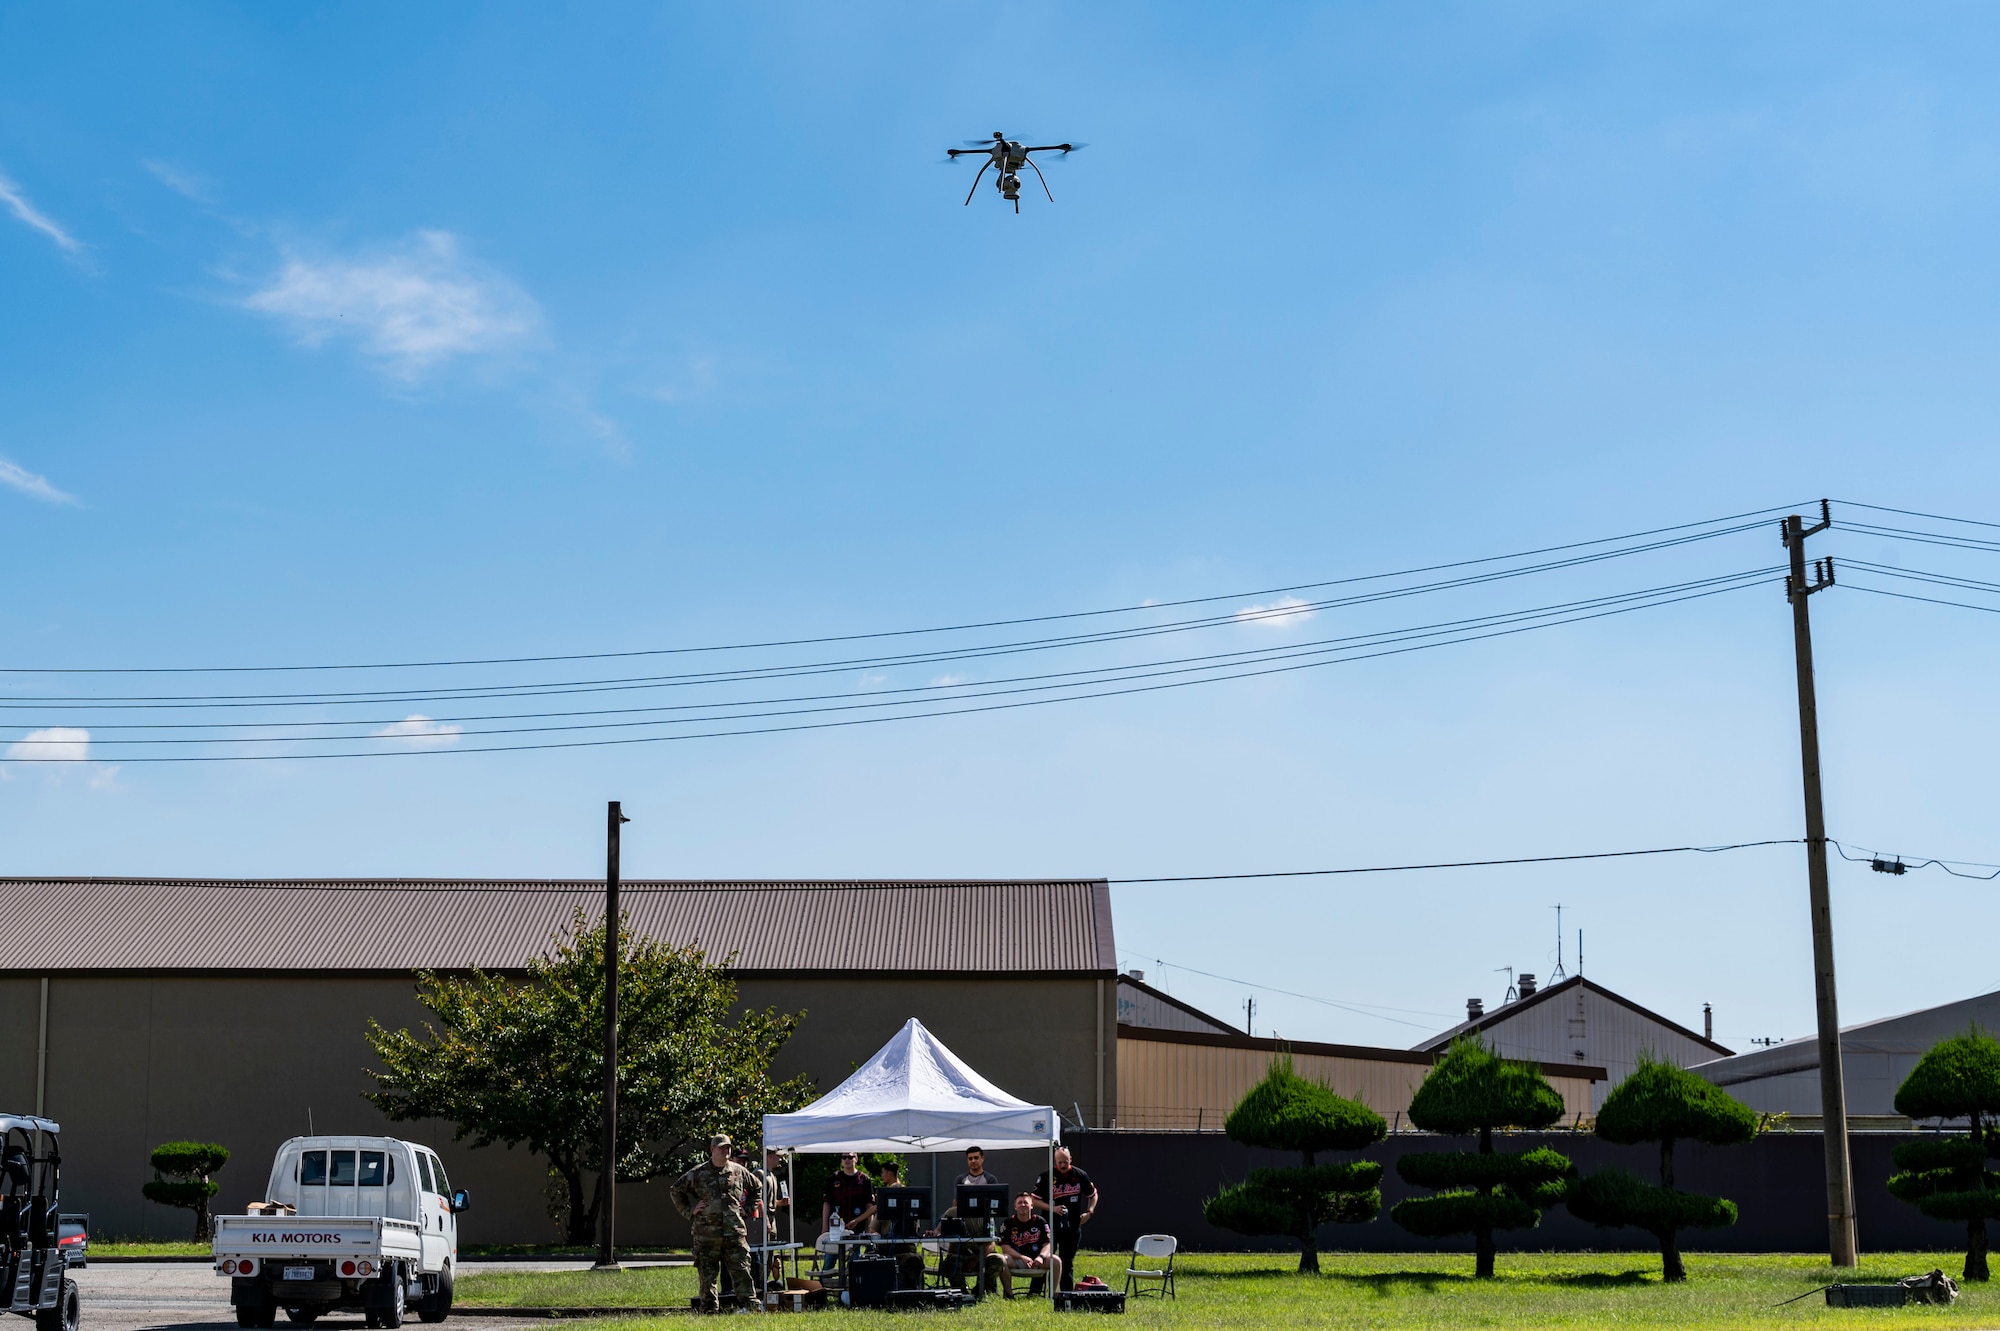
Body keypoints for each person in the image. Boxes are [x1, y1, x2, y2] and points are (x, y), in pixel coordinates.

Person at [669, 1134, 764, 1314]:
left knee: (742, 1270)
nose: (725, 1151)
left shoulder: (739, 1171)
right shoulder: (698, 1173)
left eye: (728, 1147)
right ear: (712, 1149)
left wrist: (748, 1208)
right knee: (707, 1275)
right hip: (706, 1234)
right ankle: (710, 1310)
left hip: (734, 1232)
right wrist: (690, 1211)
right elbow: (676, 1190)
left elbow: (757, 1188)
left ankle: (751, 1307)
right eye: (721, 1147)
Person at [1032, 1147, 1098, 1292]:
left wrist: (1089, 1212)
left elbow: (1093, 1194)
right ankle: (1036, 1292)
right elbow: (1034, 1200)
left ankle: (1066, 1293)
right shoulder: (1046, 1176)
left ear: (1070, 1160)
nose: (1062, 1165)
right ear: (1055, 1161)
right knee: (1044, 1258)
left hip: (1072, 1225)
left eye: (1065, 1162)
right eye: (1060, 1162)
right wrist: (1052, 1208)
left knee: (1067, 1261)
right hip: (1050, 1226)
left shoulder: (1080, 1175)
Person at [951, 1146, 1004, 1295]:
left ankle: (983, 1290)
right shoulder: (961, 1179)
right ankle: (961, 1291)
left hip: (985, 1224)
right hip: (965, 1229)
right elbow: (956, 1203)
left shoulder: (990, 1179)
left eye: (976, 1158)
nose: (973, 1161)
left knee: (994, 1258)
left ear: (982, 1159)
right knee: (950, 1261)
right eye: (970, 1158)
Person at [870, 1160, 926, 1289]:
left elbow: (915, 1229)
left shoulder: (911, 1212)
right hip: (886, 1252)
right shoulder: (883, 1211)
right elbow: (872, 1230)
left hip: (907, 1251)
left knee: (914, 1260)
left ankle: (913, 1292)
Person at [997, 1192, 1059, 1299]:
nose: (1023, 1205)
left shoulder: (1040, 1221)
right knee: (1001, 1260)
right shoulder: (1007, 1223)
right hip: (1017, 1259)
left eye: (1026, 1202)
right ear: (1015, 1206)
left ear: (1032, 1205)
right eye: (1020, 1203)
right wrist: (1021, 1257)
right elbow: (1005, 1248)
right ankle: (1009, 1295)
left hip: (1037, 1260)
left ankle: (1053, 1296)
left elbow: (1047, 1243)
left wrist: (1041, 1257)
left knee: (1056, 1261)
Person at [756, 1147, 790, 1284]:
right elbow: (758, 1200)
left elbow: (770, 1201)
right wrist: (764, 1220)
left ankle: (764, 1282)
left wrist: (781, 1203)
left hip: (772, 1218)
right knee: (761, 1255)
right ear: (769, 1156)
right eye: (778, 1156)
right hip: (763, 1219)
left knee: (770, 1255)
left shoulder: (772, 1176)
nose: (780, 1159)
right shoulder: (759, 1174)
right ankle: (758, 1284)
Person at [820, 1151, 873, 1236]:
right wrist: (825, 1227)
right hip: (837, 1225)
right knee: (837, 1248)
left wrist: (870, 1227)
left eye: (850, 1157)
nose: (847, 1160)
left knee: (856, 1248)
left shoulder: (864, 1179)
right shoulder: (834, 1178)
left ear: (856, 1159)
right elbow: (827, 1203)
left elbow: (869, 1205)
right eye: (844, 1158)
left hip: (857, 1225)